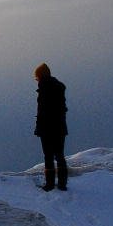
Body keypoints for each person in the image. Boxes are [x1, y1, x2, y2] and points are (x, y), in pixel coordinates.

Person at [34, 63, 68, 191]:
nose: (36, 80)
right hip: (60, 126)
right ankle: (62, 184)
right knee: (59, 155)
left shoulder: (44, 90)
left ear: (40, 77)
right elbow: (62, 108)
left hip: (47, 128)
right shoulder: (59, 88)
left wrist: (39, 127)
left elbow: (42, 112)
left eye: (36, 77)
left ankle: (49, 185)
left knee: (48, 155)